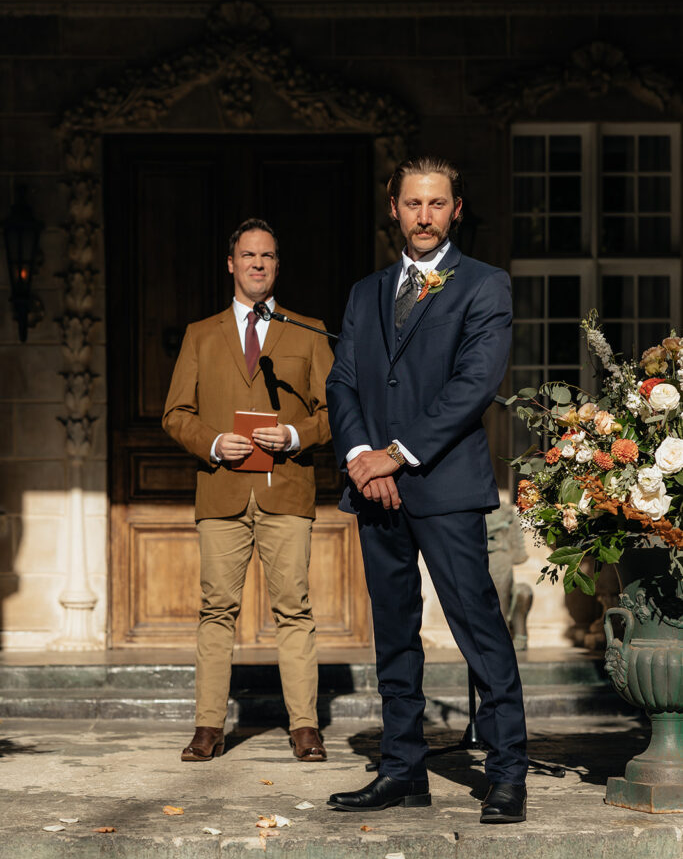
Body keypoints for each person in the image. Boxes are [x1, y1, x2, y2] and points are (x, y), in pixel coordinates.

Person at [325, 156, 528, 822]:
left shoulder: (483, 285)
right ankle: (401, 768)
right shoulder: (364, 292)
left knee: (479, 633)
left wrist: (394, 456)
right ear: (393, 208)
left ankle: (505, 774)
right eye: (412, 204)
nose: (423, 216)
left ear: (455, 210)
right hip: (375, 489)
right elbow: (344, 383)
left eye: (435, 204)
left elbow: (473, 385)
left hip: (443, 485)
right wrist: (360, 457)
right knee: (395, 636)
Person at [163, 218, 334, 764]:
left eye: (267, 256)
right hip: (222, 493)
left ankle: (304, 727)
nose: (258, 264)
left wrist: (292, 434)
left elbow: (335, 413)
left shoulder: (307, 330)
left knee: (295, 610)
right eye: (248, 255)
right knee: (216, 610)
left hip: (285, 490)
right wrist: (213, 443)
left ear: (276, 266)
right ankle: (208, 727)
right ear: (231, 264)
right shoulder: (200, 333)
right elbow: (175, 413)